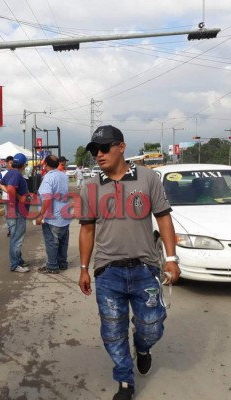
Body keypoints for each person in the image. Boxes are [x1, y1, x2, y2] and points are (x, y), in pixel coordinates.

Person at [78, 125, 181, 400]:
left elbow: (163, 218)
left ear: (121, 147)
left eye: (104, 148)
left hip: (145, 268)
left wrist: (170, 259)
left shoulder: (148, 178)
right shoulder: (90, 188)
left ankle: (143, 347)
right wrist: (83, 269)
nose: (98, 155)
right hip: (108, 271)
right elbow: (87, 229)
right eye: (94, 151)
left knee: (152, 325)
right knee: (112, 330)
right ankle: (125, 380)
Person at [35, 155, 70, 274]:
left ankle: (52, 266)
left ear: (45, 164)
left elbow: (47, 199)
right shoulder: (63, 176)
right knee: (63, 242)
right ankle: (62, 263)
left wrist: (40, 215)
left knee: (52, 242)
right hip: (64, 216)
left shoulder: (48, 178)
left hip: (52, 217)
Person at [0, 153, 31, 273]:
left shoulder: (10, 172)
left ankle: (18, 259)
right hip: (17, 210)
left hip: (13, 208)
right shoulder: (16, 174)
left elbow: (1, 184)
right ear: (23, 165)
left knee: (15, 236)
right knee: (17, 237)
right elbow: (11, 188)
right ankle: (15, 264)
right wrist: (19, 197)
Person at [0, 156, 14, 237]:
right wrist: (8, 191)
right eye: (11, 163)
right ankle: (10, 229)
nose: (12, 164)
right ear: (7, 163)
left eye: (13, 163)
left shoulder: (16, 173)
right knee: (7, 214)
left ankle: (13, 229)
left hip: (14, 198)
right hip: (6, 197)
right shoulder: (2, 173)